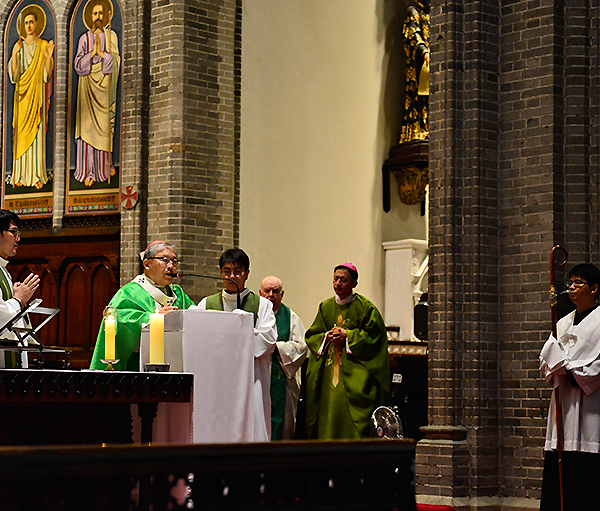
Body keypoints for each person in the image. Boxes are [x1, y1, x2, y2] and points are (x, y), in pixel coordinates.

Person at [196, 249, 277, 442]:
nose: (232, 277)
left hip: (252, 378)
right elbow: (198, 340)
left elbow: (268, 340)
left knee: (252, 428)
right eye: (226, 271)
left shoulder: (262, 305)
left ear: (247, 273)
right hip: (217, 380)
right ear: (220, 273)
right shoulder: (206, 304)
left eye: (237, 271)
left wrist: (232, 334)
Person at [305, 263, 390, 439]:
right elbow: (312, 335)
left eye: (343, 280)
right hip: (329, 376)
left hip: (355, 375)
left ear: (354, 283)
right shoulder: (325, 307)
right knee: (328, 415)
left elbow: (376, 338)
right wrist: (327, 336)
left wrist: (348, 336)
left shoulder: (366, 307)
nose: (338, 283)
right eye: (335, 279)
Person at [540, 263, 600, 510]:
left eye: (578, 283)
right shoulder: (563, 323)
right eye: (570, 283)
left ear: (595, 288)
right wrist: (555, 367)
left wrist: (574, 370)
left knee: (586, 477)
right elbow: (545, 358)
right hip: (564, 403)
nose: (572, 288)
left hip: (590, 406)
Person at [90, 241, 194, 371]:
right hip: (138, 366)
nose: (171, 266)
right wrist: (153, 318)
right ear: (146, 264)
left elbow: (194, 316)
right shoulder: (130, 292)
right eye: (165, 260)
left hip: (175, 362)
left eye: (174, 261)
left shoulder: (178, 294)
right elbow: (118, 320)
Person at [74, 0, 120, 187]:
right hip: (87, 87)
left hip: (105, 87)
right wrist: (92, 53)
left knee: (104, 128)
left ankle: (104, 167)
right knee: (87, 129)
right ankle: (87, 171)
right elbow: (78, 65)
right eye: (95, 14)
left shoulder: (112, 36)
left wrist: (103, 54)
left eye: (101, 13)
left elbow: (116, 61)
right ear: (90, 17)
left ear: (107, 15)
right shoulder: (84, 38)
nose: (98, 17)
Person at [8, 7, 54, 189]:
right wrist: (14, 54)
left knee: (37, 135)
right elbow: (14, 76)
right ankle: (19, 175)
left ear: (37, 24)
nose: (28, 26)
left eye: (31, 22)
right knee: (20, 137)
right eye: (25, 23)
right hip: (22, 98)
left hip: (37, 96)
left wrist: (49, 57)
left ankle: (36, 176)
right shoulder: (18, 46)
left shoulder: (43, 45)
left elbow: (45, 76)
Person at [259, 276, 308, 440]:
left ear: (282, 294)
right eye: (267, 291)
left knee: (281, 427)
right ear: (260, 293)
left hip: (281, 382)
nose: (271, 295)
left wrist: (276, 347)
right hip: (258, 379)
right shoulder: (253, 315)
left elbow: (301, 347)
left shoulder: (291, 317)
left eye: (275, 291)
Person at [0, 210, 40, 368]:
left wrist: (19, 302)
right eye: (13, 232)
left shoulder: (4, 271)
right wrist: (17, 300)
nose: (18, 238)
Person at [399, 0, 430, 144]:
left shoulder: (437, 15)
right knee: (421, 97)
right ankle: (420, 129)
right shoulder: (413, 11)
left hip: (436, 67)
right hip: (421, 65)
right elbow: (412, 34)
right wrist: (423, 51)